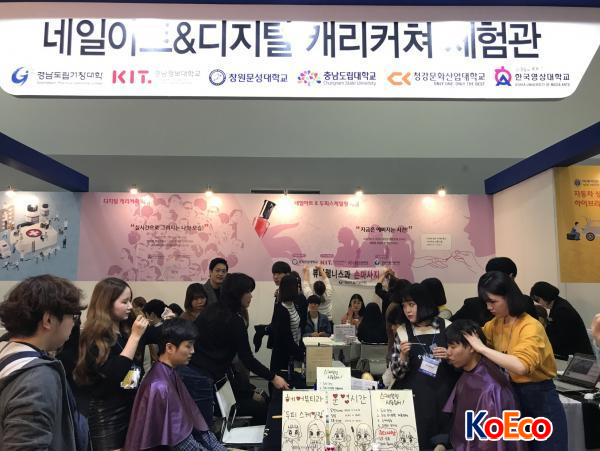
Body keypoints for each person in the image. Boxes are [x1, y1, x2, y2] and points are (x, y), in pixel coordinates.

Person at [465, 271, 568, 451]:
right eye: (486, 302)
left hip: (539, 399)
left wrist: (482, 348)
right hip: (510, 396)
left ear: (509, 297)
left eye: (493, 301)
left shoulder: (530, 327)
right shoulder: (495, 324)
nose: (489, 307)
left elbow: (521, 366)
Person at [183, 273, 289, 426]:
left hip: (209, 377)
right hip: (209, 384)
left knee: (260, 397)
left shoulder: (212, 309)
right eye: (248, 292)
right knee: (260, 407)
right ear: (237, 294)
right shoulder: (234, 320)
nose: (251, 296)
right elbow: (247, 359)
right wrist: (274, 378)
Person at [0, 275, 88, 451]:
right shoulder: (38, 378)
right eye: (73, 316)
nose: (73, 323)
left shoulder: (7, 352)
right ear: (48, 320)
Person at [74, 277, 162, 450]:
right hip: (107, 416)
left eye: (130, 300)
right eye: (124, 302)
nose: (130, 306)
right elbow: (116, 374)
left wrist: (168, 322)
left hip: (132, 407)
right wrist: (135, 337)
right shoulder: (94, 336)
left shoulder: (126, 330)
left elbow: (160, 335)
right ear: (107, 303)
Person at [123, 318, 226, 451]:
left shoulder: (169, 373)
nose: (193, 351)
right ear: (170, 348)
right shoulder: (159, 386)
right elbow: (183, 443)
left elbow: (196, 429)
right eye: (188, 346)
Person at [385, 283, 458, 449]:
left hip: (443, 400)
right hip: (414, 402)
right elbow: (396, 373)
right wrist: (403, 356)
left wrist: (450, 356)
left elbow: (462, 365)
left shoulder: (447, 327)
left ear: (424, 304)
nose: (407, 310)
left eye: (412, 305)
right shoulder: (403, 332)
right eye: (404, 306)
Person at [443, 319, 526, 451]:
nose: (448, 352)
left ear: (472, 347)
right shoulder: (467, 374)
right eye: (448, 347)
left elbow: (491, 443)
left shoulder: (491, 387)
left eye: (453, 347)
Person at [530, 281, 593, 357]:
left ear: (545, 296)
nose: (539, 303)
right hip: (572, 352)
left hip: (578, 356)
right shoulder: (557, 305)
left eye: (538, 300)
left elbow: (562, 339)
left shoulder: (562, 310)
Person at [253, 260, 291, 352]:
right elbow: (276, 319)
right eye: (274, 274)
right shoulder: (279, 293)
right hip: (278, 340)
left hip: (287, 341)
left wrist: (265, 329)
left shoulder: (290, 295)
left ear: (288, 275)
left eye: (279, 274)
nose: (275, 277)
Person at [270, 274, 305, 372]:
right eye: (297, 286)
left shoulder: (293, 304)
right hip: (283, 355)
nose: (299, 288)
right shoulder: (282, 309)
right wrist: (301, 355)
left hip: (293, 351)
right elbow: (286, 338)